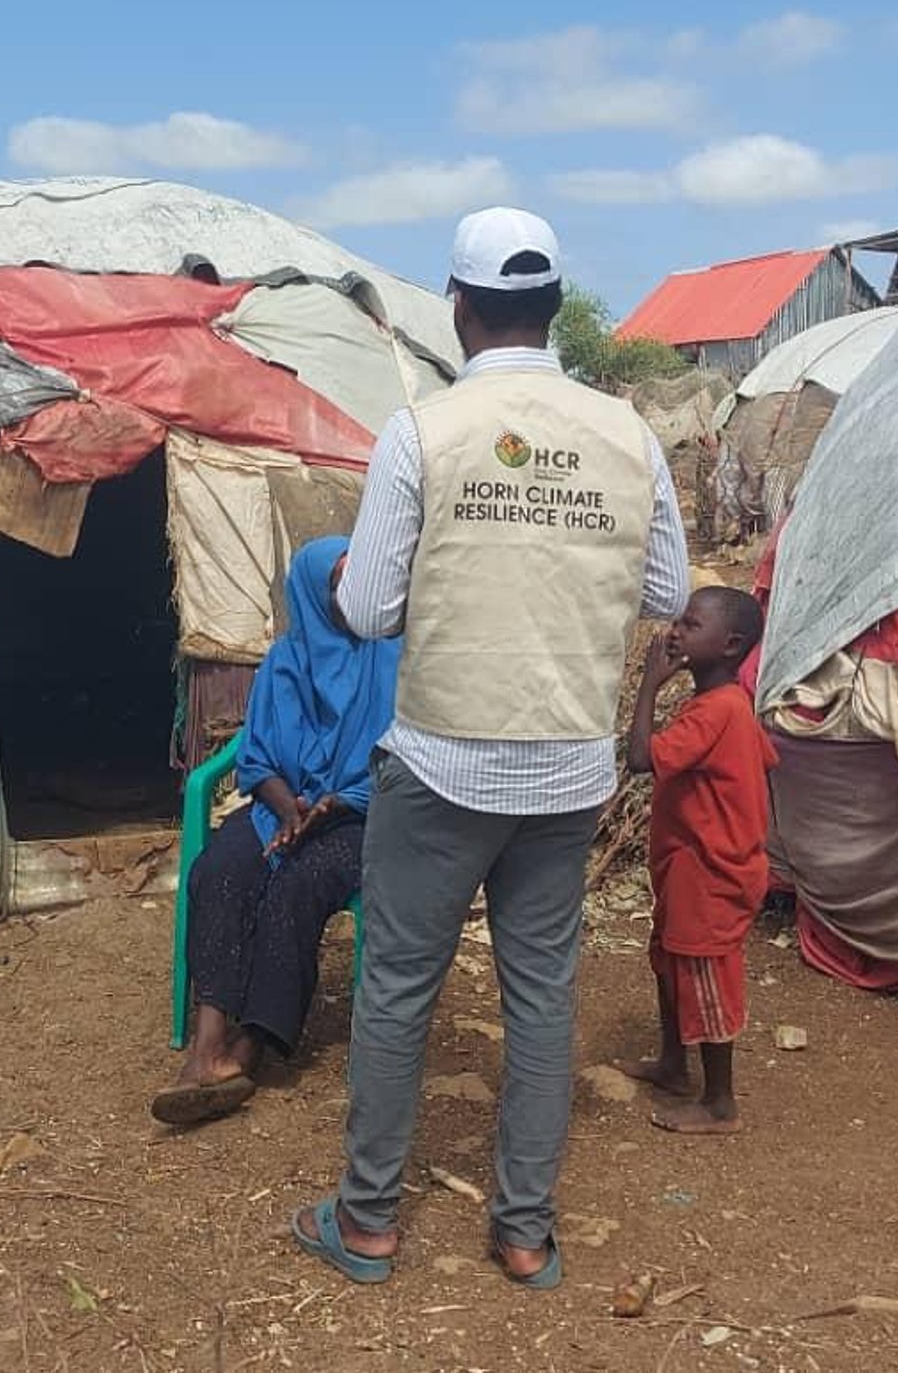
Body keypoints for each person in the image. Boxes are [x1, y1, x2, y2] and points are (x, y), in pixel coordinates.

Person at [290, 208, 690, 1288]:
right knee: (542, 994)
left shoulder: (423, 432)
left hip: (442, 765)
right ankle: (522, 1231)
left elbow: (369, 609)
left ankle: (369, 1221)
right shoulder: (629, 435)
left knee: (399, 991)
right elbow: (666, 593)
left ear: (458, 307)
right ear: (558, 310)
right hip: (565, 771)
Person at [153, 536, 400, 1125]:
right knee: (219, 871)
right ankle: (207, 1043)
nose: (349, 594)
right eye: (337, 583)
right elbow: (256, 758)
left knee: (298, 885)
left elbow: (398, 758)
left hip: (361, 813)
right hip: (279, 806)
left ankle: (253, 1043)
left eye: (354, 580)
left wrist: (336, 804)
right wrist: (288, 809)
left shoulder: (390, 659)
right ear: (312, 593)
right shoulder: (283, 662)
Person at [619, 586, 776, 1134]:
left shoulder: (718, 712)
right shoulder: (723, 708)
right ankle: (673, 1063)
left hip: (712, 873)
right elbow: (764, 758)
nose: (676, 632)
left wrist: (647, 685)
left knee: (705, 973)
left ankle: (719, 1102)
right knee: (668, 956)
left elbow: (641, 758)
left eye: (690, 624)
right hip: (688, 866)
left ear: (730, 644)